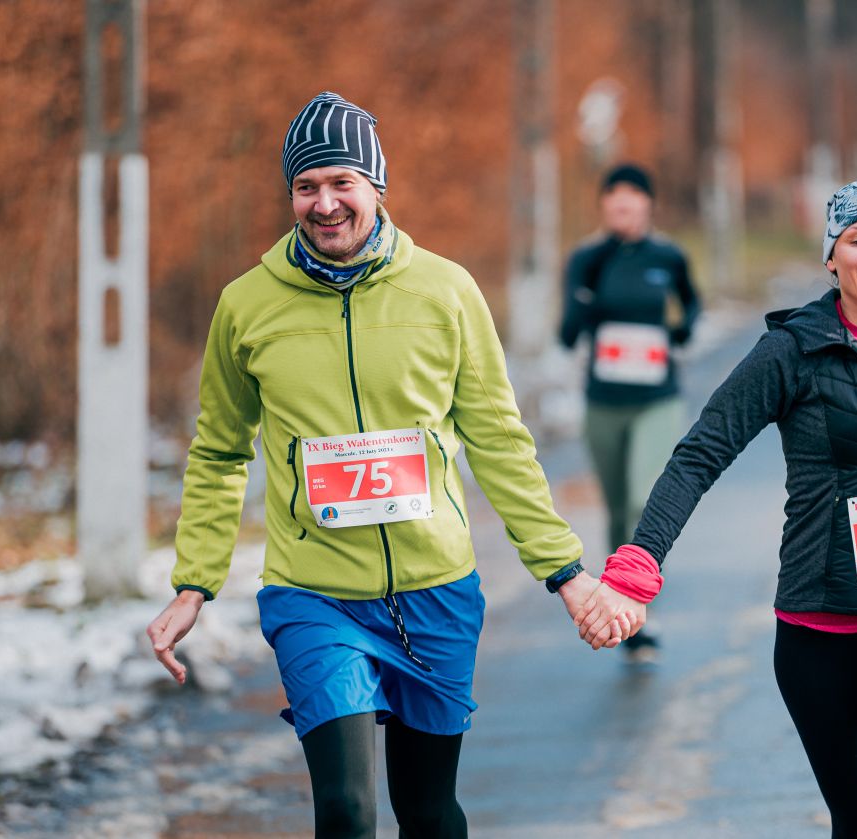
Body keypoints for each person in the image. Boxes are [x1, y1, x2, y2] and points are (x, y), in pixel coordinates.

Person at [145, 92, 643, 839]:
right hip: (315, 593)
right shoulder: (246, 307)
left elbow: (500, 440)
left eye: (342, 181)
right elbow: (219, 449)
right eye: (306, 186)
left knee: (428, 811)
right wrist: (195, 580)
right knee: (345, 809)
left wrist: (566, 573)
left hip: (435, 589)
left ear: (377, 186)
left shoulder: (445, 292)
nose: (324, 203)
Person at [577, 177, 857, 837]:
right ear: (831, 257)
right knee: (855, 820)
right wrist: (634, 566)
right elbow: (702, 451)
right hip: (821, 627)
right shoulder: (792, 351)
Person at [559, 163, 701, 662]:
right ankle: (623, 605)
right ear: (603, 207)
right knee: (618, 507)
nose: (622, 207)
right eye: (613, 198)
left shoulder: (668, 256)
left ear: (647, 204)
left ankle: (643, 604)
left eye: (631, 198)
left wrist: (677, 336)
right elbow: (567, 333)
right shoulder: (587, 259)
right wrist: (585, 298)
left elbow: (691, 305)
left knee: (644, 498)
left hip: (656, 398)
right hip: (604, 401)